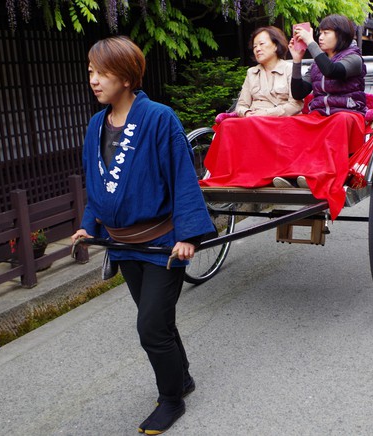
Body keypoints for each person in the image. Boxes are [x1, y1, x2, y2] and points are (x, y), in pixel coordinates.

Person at [71, 36, 215, 435]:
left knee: (150, 327)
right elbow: (96, 182)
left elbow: (182, 177)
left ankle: (171, 399)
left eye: (102, 73)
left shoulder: (158, 117)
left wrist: (188, 234)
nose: (94, 80)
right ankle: (181, 377)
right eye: (91, 72)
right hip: (122, 244)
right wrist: (89, 224)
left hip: (163, 243)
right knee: (158, 321)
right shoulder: (96, 124)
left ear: (127, 77)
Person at [283, 14, 366, 188]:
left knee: (338, 121)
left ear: (341, 35)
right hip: (322, 116)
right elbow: (298, 93)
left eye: (325, 32)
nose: (320, 37)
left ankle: (323, 175)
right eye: (319, 33)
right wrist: (296, 60)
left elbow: (331, 71)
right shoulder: (316, 66)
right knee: (294, 122)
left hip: (349, 115)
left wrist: (310, 43)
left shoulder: (354, 59)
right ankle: (294, 173)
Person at [234, 26, 304, 117]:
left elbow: (296, 105)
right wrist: (247, 113)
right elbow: (241, 105)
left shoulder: (289, 69)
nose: (257, 49)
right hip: (254, 121)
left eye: (261, 44)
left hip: (281, 121)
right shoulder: (251, 72)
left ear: (275, 46)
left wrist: (266, 113)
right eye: (255, 46)